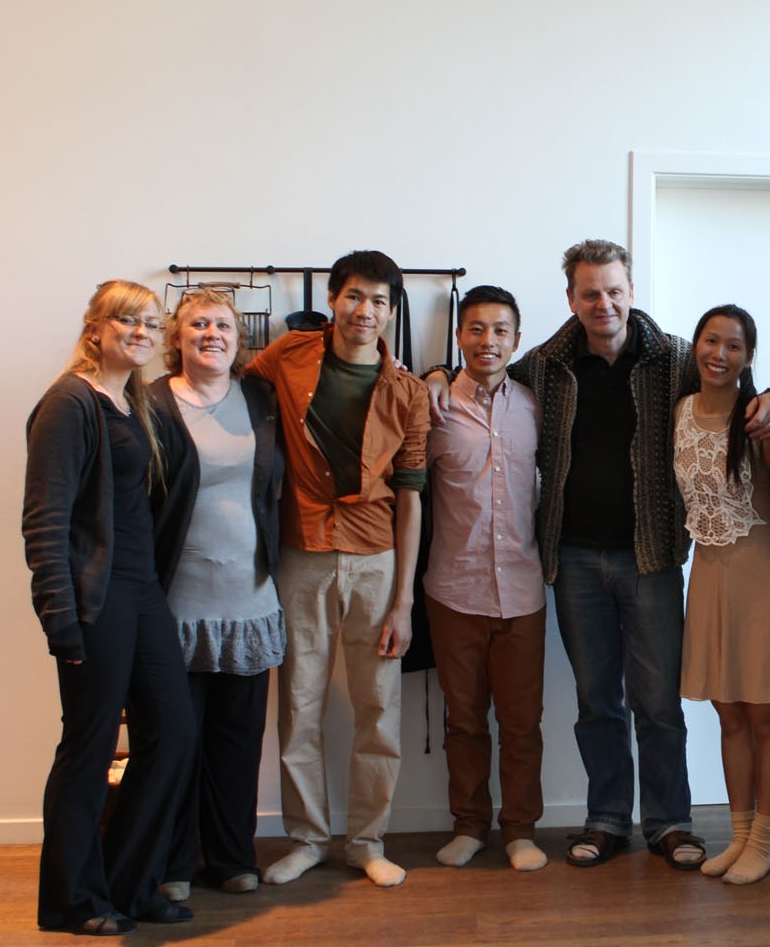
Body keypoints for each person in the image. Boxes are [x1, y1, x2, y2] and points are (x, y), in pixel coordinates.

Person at [423, 238, 770, 870]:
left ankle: (670, 822)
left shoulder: (675, 359)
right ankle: (608, 818)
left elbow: (738, 382)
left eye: (614, 291)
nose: (603, 304)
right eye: (590, 293)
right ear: (571, 298)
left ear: (631, 292)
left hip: (651, 559)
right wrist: (434, 372)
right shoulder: (545, 365)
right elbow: (484, 373)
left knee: (658, 704)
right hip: (572, 561)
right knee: (598, 704)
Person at [248, 250, 428, 889]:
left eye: (379, 301)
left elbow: (411, 497)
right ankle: (306, 839)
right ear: (332, 299)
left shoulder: (407, 391)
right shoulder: (288, 355)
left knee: (378, 705)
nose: (365, 311)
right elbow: (231, 388)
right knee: (300, 704)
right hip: (301, 552)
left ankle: (367, 840)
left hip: (377, 560)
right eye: (354, 296)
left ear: (392, 310)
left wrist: (404, 601)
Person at [24, 280, 196, 935]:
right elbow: (44, 520)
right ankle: (73, 901)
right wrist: (59, 617)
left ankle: (129, 883)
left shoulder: (133, 401)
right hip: (95, 601)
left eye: (151, 322)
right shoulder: (69, 402)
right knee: (90, 745)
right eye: (127, 320)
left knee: (172, 732)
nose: (141, 331)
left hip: (142, 592)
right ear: (95, 328)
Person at [147, 289, 284, 901]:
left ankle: (230, 857)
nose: (212, 334)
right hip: (175, 605)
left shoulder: (260, 399)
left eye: (223, 325)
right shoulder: (150, 403)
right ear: (176, 337)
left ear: (238, 337)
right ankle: (174, 863)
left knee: (237, 742)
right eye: (198, 323)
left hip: (249, 602)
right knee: (174, 741)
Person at [422, 285, 549, 873]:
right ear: (459, 337)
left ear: (516, 340)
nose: (487, 341)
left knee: (522, 724)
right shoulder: (434, 404)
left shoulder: (536, 407)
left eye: (500, 330)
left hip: (523, 590)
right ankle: (469, 825)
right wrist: (431, 376)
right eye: (475, 329)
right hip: (455, 590)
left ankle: (520, 829)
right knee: (465, 721)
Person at [675, 305, 770, 886]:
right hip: (707, 574)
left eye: (733, 346)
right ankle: (740, 836)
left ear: (748, 357)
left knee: (764, 712)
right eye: (711, 341)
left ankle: (765, 842)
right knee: (727, 713)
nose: (719, 354)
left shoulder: (761, 419)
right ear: (695, 345)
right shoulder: (680, 411)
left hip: (762, 572)